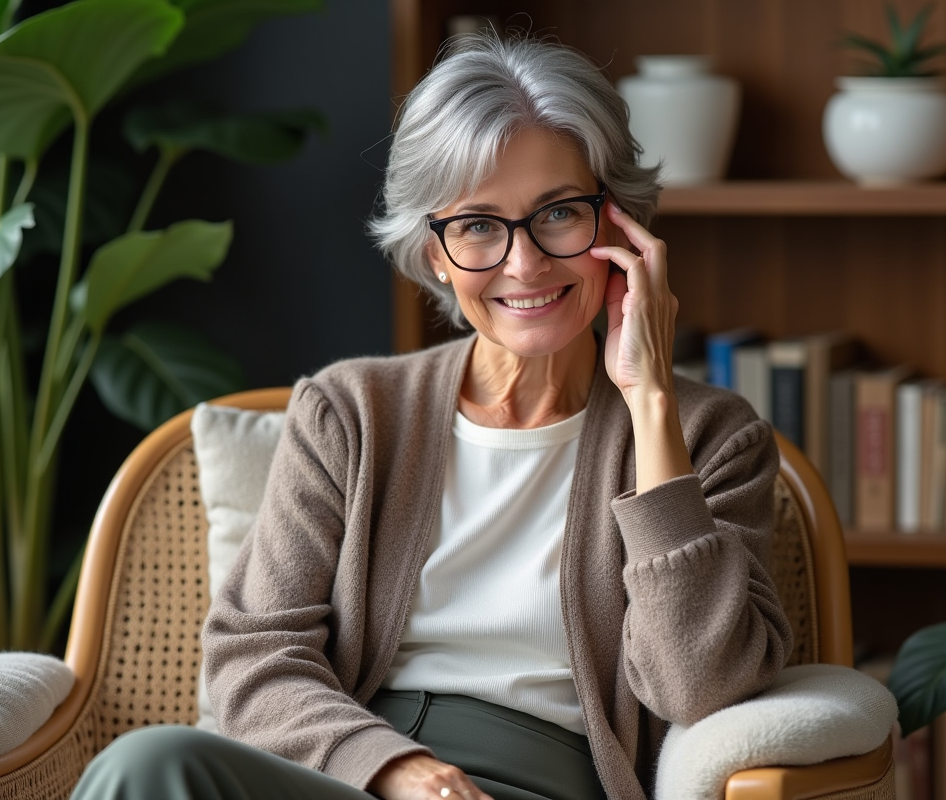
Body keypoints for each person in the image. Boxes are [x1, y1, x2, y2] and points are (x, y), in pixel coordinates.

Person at [70, 32, 792, 800]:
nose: (524, 264)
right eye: (478, 225)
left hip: (536, 780)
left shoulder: (712, 436)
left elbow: (704, 690)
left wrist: (650, 404)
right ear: (434, 252)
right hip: (351, 772)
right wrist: (393, 767)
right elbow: (254, 656)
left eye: (559, 213)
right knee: (144, 767)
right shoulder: (350, 412)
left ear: (618, 225)